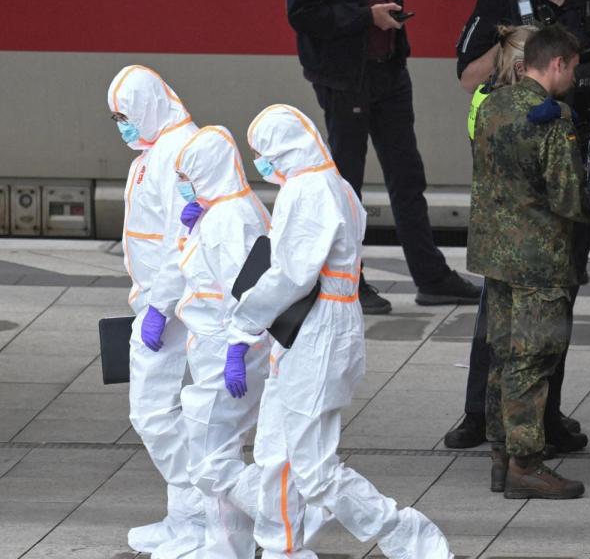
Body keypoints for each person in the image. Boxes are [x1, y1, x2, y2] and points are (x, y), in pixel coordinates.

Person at [224, 104, 453, 558]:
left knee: (313, 469)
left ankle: (410, 539)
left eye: (262, 152)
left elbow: (291, 276)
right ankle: (280, 549)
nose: (260, 163)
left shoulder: (309, 190)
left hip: (317, 334)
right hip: (313, 330)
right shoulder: (333, 184)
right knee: (276, 455)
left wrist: (242, 325)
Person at [451, 0, 590, 453]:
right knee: (504, 317)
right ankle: (487, 421)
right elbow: (469, 77)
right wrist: (522, 49)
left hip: (576, 148)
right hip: (526, 184)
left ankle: (538, 419)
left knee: (554, 312)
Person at [286, 0, 481, 316]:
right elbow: (303, 15)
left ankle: (430, 276)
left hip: (389, 71)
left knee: (407, 177)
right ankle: (349, 281)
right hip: (345, 79)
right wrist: (366, 17)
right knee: (347, 185)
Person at [469, 24, 590, 498]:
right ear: (557, 64)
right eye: (574, 68)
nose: (575, 77)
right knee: (532, 360)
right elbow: (568, 198)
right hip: (539, 259)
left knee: (501, 355)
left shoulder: (492, 104)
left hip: (494, 256)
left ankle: (500, 456)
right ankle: (526, 463)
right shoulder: (552, 119)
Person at [107, 65, 205, 558]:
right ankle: (186, 514)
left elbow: (179, 241)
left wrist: (159, 307)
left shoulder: (175, 154)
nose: (122, 126)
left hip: (169, 306)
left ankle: (202, 513)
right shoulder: (156, 150)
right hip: (158, 302)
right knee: (162, 411)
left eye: (125, 115)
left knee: (152, 412)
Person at [172, 126, 273, 559]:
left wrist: (236, 348)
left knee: (210, 461)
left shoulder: (229, 221)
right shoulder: (227, 209)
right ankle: (226, 547)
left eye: (186, 175)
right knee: (216, 451)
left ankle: (284, 510)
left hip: (225, 349)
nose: (183, 185)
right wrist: (191, 231)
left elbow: (243, 291)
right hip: (219, 347)